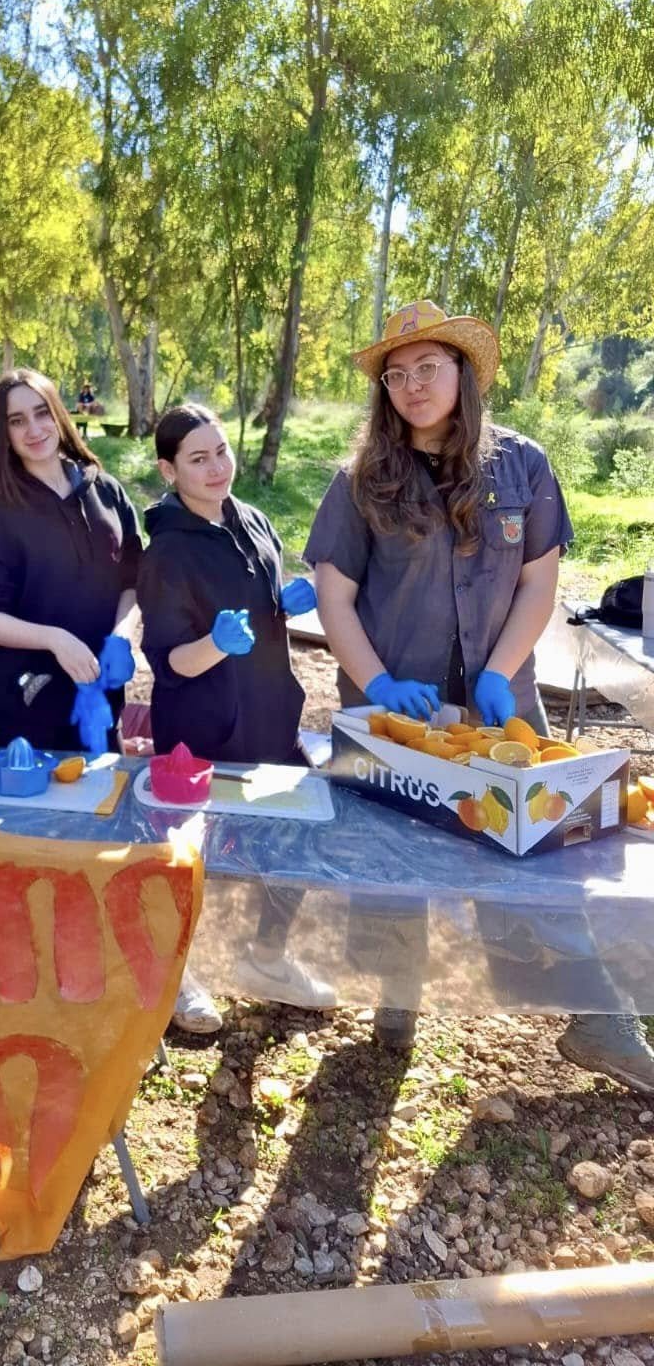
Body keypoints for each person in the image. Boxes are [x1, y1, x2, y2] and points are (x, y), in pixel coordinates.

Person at [306, 299, 654, 1089]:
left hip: (503, 707)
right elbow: (332, 596)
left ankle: (600, 1021)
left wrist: (499, 671)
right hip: (395, 716)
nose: (412, 385)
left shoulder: (523, 466)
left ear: (465, 372)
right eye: (396, 373)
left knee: (537, 860)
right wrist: (380, 683)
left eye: (429, 366)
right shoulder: (361, 480)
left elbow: (539, 581)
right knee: (391, 857)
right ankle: (394, 1007)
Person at [137, 402, 327, 1032]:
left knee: (294, 838)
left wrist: (283, 608)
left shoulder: (251, 520)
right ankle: (177, 974)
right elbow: (169, 663)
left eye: (221, 450)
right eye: (198, 458)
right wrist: (215, 643)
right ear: (169, 470)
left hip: (270, 716)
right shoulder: (166, 552)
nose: (217, 467)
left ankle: (267, 956)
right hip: (201, 729)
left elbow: (259, 615)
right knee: (192, 855)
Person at [0, 367, 141, 753]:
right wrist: (55, 640)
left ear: (59, 413)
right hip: (22, 710)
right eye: (17, 420)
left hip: (99, 698)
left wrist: (123, 635)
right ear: (4, 434)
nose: (34, 428)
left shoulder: (106, 491)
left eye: (42, 412)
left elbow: (133, 578)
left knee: (100, 806)